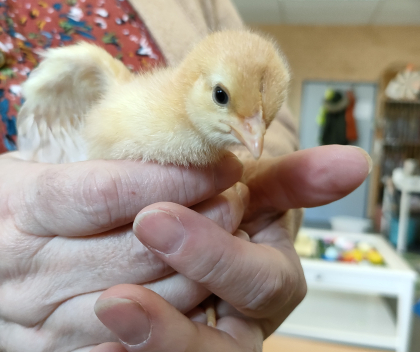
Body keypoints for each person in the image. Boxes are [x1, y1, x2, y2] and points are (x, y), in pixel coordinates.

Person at [0, 1, 372, 351]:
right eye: (223, 98)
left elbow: (272, 142)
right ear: (198, 83)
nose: (253, 137)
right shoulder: (125, 102)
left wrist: (259, 202)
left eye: (263, 119)